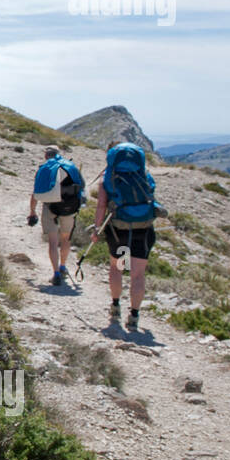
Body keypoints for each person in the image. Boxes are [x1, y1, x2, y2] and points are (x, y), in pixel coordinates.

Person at [91, 140, 158, 331]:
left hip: (119, 231)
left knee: (118, 267)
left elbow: (101, 205)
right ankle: (134, 315)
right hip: (143, 230)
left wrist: (97, 229)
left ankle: (115, 305)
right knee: (137, 274)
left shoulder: (109, 177)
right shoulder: (143, 174)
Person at [27, 144, 82, 286]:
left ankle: (55, 272)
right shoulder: (70, 166)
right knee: (66, 238)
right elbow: (81, 188)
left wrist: (32, 211)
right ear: (58, 153)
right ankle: (63, 266)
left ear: (46, 155)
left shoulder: (44, 169)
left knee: (52, 241)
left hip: (50, 208)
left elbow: (36, 193)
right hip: (69, 208)